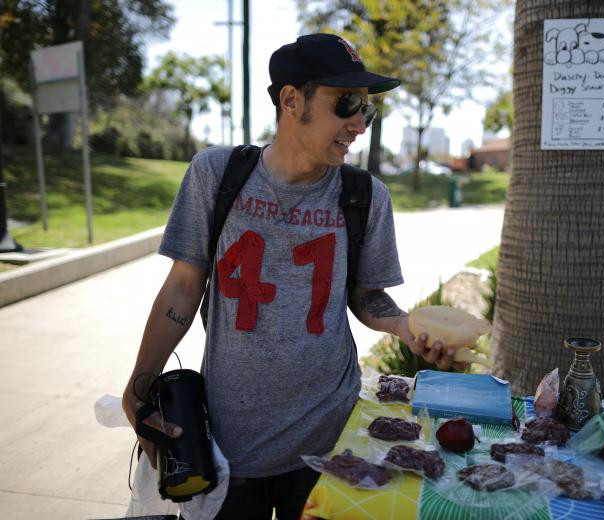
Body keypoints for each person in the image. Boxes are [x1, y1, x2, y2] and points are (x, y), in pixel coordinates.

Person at [122, 33, 464, 519]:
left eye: (365, 111)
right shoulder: (215, 175)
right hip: (228, 444)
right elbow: (181, 288)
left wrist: (404, 327)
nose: (357, 126)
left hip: (330, 443)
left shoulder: (366, 197)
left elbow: (367, 296)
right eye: (346, 104)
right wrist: (137, 388)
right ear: (291, 100)